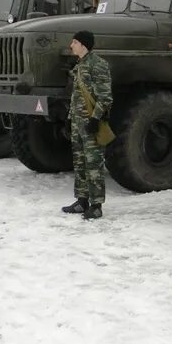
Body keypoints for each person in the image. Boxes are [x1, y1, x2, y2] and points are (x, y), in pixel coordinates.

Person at [62, 30, 112, 219]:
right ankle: (82, 201)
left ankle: (96, 205)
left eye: (74, 42)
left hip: (91, 123)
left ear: (83, 45)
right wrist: (69, 119)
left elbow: (105, 97)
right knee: (80, 162)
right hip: (78, 123)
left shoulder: (98, 65)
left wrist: (95, 119)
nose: (71, 45)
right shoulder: (80, 65)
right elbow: (76, 97)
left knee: (93, 164)